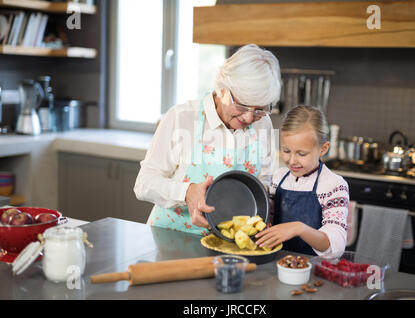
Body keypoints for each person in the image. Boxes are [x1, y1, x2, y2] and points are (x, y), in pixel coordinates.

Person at [134, 44, 281, 236]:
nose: (248, 118)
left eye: (260, 109)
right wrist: (186, 192)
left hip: (231, 246)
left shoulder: (263, 124)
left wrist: (268, 209)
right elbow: (144, 184)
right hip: (173, 239)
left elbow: (266, 180)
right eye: (243, 106)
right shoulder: (182, 118)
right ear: (222, 89)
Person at [255, 105, 349, 258]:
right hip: (275, 264)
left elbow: (336, 247)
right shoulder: (279, 177)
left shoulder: (333, 185)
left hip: (312, 271)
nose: (292, 161)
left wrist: (299, 228)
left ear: (323, 149)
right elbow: (267, 220)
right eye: (286, 151)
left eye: (301, 153)